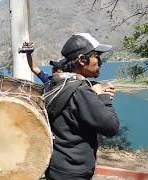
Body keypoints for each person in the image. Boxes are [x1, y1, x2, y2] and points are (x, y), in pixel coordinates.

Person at [44, 33, 119, 180]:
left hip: (56, 167)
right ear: (82, 60)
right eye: (97, 56)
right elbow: (111, 127)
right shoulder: (80, 91)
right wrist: (104, 98)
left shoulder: (57, 83)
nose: (100, 62)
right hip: (75, 172)